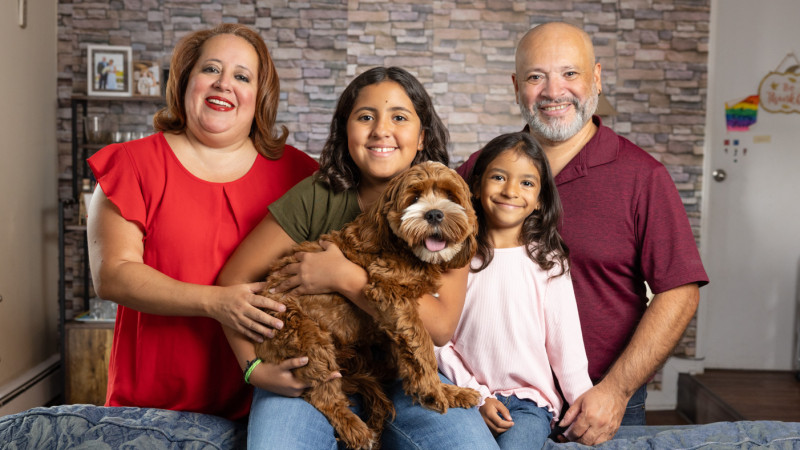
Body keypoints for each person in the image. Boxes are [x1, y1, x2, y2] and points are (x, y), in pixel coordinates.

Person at [217, 66, 498, 449]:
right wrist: (253, 368)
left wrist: (343, 278)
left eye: (399, 117)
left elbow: (440, 326)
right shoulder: (318, 195)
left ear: (422, 137)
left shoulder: (447, 206)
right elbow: (232, 282)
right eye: (365, 117)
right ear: (345, 132)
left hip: (403, 371)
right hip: (309, 368)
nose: (381, 130)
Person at [457, 22, 709, 445]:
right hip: (492, 404)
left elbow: (680, 291)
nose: (554, 91)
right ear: (517, 86)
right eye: (537, 76)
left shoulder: (642, 176)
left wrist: (615, 390)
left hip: (597, 402)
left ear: (596, 77)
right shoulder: (481, 171)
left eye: (570, 74)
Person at [86, 23, 319, 421]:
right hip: (153, 407)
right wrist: (217, 302)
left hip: (267, 405)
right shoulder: (132, 164)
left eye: (242, 76)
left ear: (258, 96)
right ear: (185, 82)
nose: (224, 84)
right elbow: (113, 275)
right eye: (210, 70)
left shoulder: (300, 175)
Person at [437, 131, 593, 449]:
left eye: (526, 183)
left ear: (539, 201)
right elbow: (438, 341)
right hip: (466, 398)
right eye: (499, 177)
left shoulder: (549, 262)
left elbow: (567, 347)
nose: (510, 190)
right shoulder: (453, 257)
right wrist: (477, 396)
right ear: (477, 187)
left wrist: (583, 408)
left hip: (528, 406)